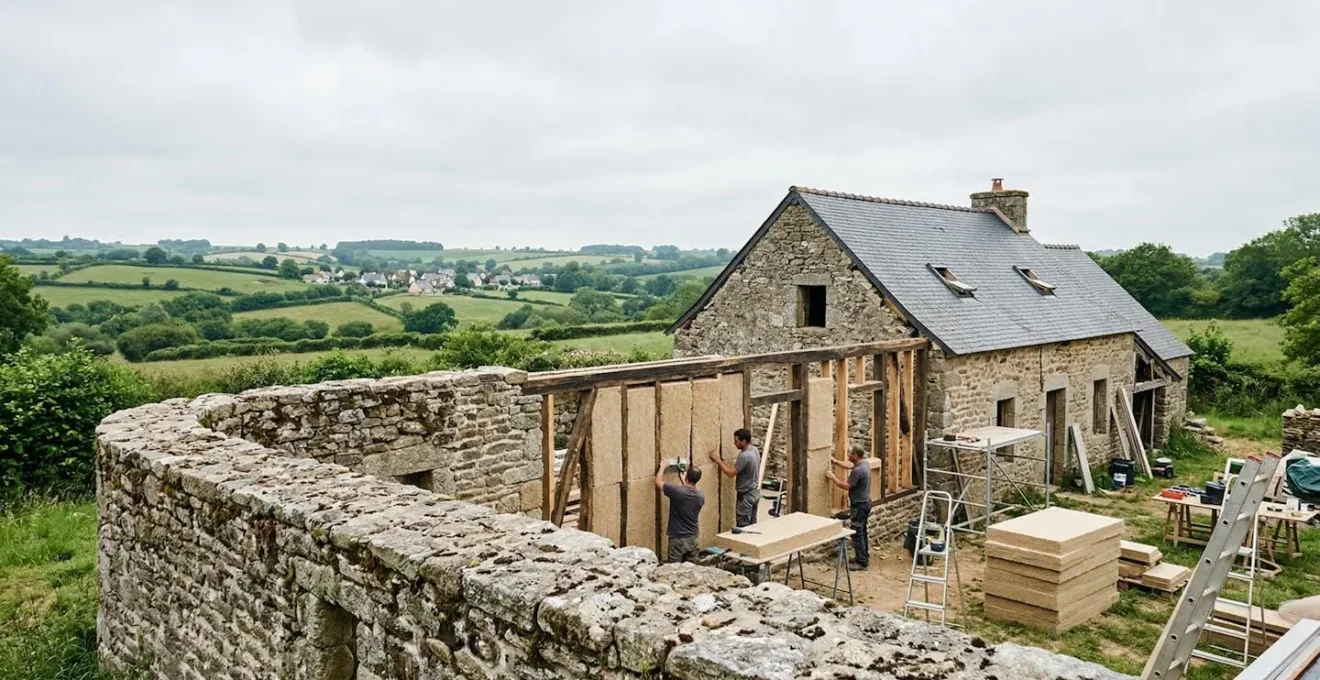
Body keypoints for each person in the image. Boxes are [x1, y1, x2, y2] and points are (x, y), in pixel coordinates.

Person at [825, 445, 871, 570]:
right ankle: (863, 557)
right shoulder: (864, 464)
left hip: (859, 506)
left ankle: (861, 562)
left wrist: (832, 477)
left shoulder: (858, 471)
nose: (848, 455)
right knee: (862, 532)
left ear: (855, 455)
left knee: (857, 533)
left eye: (850, 453)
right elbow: (849, 465)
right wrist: (835, 461)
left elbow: (846, 486)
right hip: (866, 503)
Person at [707, 428, 760, 527]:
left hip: (746, 496)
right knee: (753, 526)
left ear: (743, 441)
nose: (734, 443)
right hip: (754, 493)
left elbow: (731, 473)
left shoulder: (744, 456)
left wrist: (718, 460)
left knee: (743, 526)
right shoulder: (754, 450)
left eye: (736, 441)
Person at [656, 461, 705, 563]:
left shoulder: (677, 491)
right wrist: (684, 482)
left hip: (678, 539)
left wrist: (663, 467)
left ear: (687, 476)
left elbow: (658, 482)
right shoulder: (700, 496)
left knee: (674, 570)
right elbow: (688, 493)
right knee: (691, 569)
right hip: (693, 538)